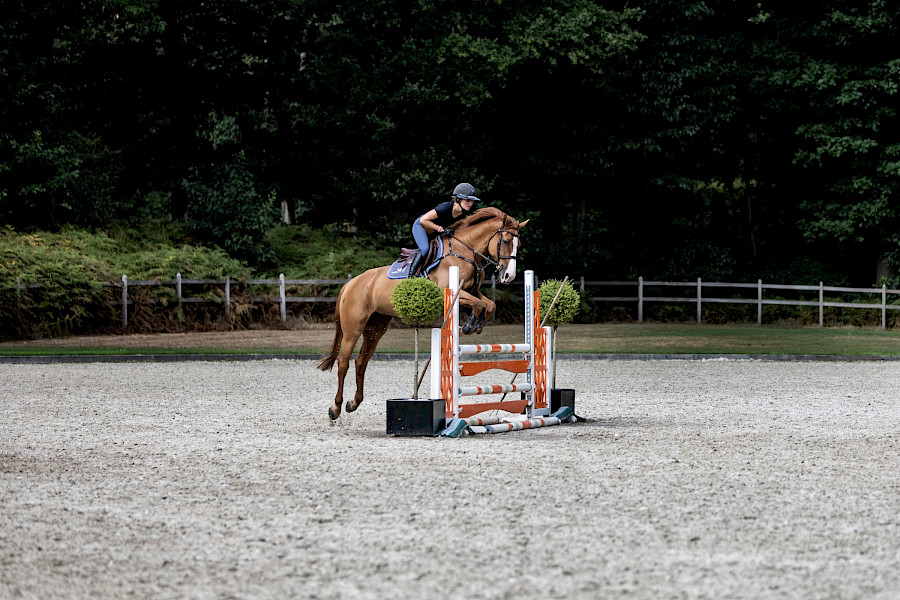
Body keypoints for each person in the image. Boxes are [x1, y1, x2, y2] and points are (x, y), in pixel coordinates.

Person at [408, 182, 480, 276]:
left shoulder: (464, 214)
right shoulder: (445, 207)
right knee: (425, 248)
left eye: (471, 201)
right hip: (421, 227)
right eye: (467, 200)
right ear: (458, 199)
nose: (470, 203)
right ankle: (410, 276)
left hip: (435, 232)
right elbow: (423, 220)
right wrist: (440, 229)